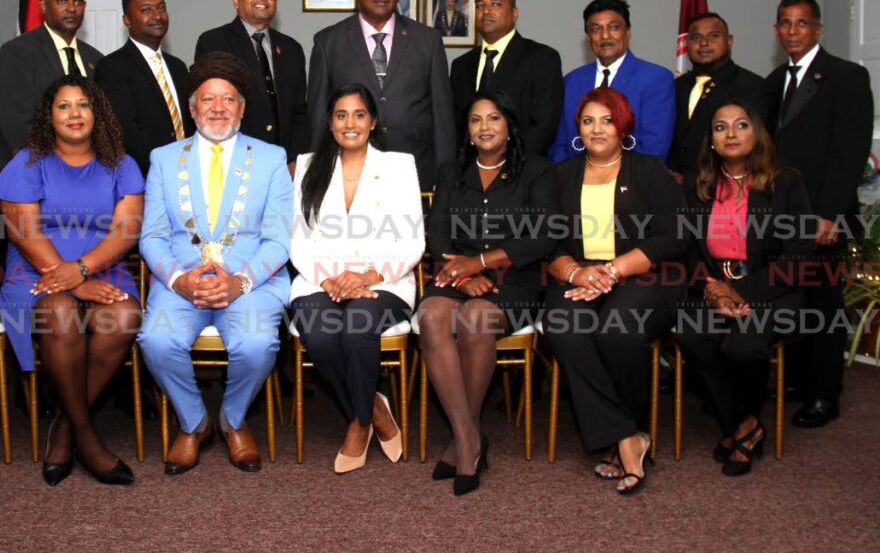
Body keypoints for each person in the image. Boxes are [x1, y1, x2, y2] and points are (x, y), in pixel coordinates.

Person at [138, 53, 292, 476]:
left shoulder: (272, 158)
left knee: (259, 345)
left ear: (243, 107)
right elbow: (150, 236)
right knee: (156, 341)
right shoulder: (164, 159)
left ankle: (233, 418)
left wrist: (240, 282)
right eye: (208, 99)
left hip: (250, 282)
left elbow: (280, 239)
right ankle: (194, 422)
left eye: (229, 99)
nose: (218, 108)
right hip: (182, 282)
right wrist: (178, 279)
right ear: (192, 108)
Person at [0, 76, 144, 486]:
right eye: (63, 106)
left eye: (83, 105)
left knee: (123, 317)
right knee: (60, 312)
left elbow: (126, 232)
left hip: (102, 264)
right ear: (49, 116)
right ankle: (88, 438)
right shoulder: (27, 162)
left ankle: (63, 426)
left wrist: (83, 270)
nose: (74, 114)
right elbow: (24, 232)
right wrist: (72, 282)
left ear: (98, 114)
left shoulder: (121, 164)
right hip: (35, 268)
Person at [544, 87, 685, 495]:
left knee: (619, 328)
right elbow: (545, 241)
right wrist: (575, 272)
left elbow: (675, 235)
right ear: (578, 129)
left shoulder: (648, 170)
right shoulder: (561, 175)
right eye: (588, 121)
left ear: (623, 124)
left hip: (643, 275)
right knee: (564, 327)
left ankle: (622, 433)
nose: (597, 129)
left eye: (606, 120)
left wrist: (614, 269)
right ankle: (627, 436)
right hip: (579, 277)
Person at [417, 91, 558, 496]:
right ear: (467, 129)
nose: (484, 127)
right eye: (476, 120)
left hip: (516, 280)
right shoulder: (451, 171)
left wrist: (479, 262)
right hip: (456, 275)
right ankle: (469, 438)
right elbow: (439, 233)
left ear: (509, 125)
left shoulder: (537, 172)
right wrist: (462, 276)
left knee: (476, 318)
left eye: (494, 118)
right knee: (432, 316)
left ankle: (462, 440)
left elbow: (543, 237)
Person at [290, 83, 423, 473]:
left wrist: (367, 274)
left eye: (359, 114)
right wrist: (331, 280)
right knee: (318, 331)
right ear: (330, 123)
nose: (350, 123)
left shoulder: (399, 166)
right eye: (341, 115)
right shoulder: (309, 165)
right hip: (320, 279)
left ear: (373, 121)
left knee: (356, 326)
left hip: (385, 278)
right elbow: (297, 237)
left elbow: (413, 238)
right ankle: (372, 412)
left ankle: (357, 422)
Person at [677, 100, 813, 475]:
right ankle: (744, 425)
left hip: (772, 290)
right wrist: (715, 289)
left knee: (743, 347)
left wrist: (743, 292)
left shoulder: (787, 183)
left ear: (758, 133)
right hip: (712, 285)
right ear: (712, 139)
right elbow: (687, 248)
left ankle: (738, 424)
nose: (731, 134)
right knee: (693, 336)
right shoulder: (697, 184)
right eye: (721, 127)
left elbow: (798, 254)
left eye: (741, 125)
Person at [766, 0, 873, 428]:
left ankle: (825, 393)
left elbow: (849, 154)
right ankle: (800, 380)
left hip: (822, 214)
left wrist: (827, 215)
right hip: (780, 214)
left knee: (824, 304)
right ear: (777, 31)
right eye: (786, 24)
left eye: (802, 23)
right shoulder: (772, 82)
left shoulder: (847, 77)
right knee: (793, 299)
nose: (793, 31)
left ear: (819, 29)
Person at [308, 0, 456, 190]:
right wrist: (316, 176)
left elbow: (443, 115)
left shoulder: (428, 40)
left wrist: (447, 178)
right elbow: (318, 117)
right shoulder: (328, 43)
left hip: (416, 169)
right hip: (348, 171)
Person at [195, 0, 310, 167]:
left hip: (283, 164)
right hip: (234, 161)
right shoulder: (214, 42)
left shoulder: (291, 48)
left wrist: (294, 160)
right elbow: (212, 108)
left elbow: (299, 111)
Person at [0, 0, 103, 169]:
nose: (71, 8)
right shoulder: (18, 51)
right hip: (31, 171)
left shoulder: (94, 58)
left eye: (78, 2)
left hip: (86, 170)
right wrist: (54, 169)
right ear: (43, 6)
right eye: (62, 1)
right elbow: (17, 126)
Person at [550, 0, 674, 163]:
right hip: (575, 182)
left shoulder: (656, 78)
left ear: (628, 32)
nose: (605, 36)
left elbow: (654, 149)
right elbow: (559, 145)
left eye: (614, 27)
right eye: (596, 29)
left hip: (633, 183)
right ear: (588, 38)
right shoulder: (571, 82)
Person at [449, 0, 563, 156]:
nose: (486, 11)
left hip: (522, 172)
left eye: (495, 4)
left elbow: (544, 126)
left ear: (515, 13)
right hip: (469, 174)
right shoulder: (460, 65)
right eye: (480, 5)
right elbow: (456, 125)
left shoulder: (542, 58)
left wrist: (505, 166)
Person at [96, 0, 194, 174]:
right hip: (143, 176)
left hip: (187, 172)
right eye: (146, 10)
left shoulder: (178, 67)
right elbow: (125, 132)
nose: (157, 16)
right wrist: (166, 168)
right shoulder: (112, 67)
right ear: (127, 20)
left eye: (161, 8)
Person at [669, 12, 774, 182]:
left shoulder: (753, 87)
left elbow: (757, 149)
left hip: (726, 191)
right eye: (696, 37)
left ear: (729, 40)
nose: (704, 43)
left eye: (713, 36)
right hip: (675, 194)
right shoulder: (676, 87)